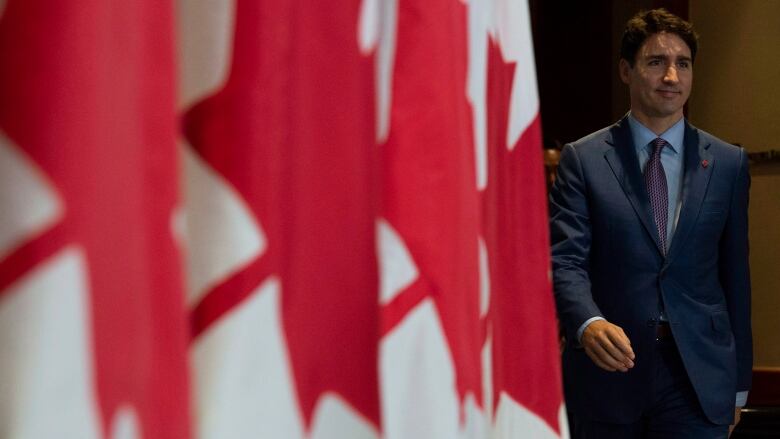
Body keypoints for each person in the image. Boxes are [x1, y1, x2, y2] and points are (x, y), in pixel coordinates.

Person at [549, 8, 752, 438]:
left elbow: (736, 276)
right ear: (626, 70)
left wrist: (737, 388)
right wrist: (587, 323)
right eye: (656, 62)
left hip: (698, 376)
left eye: (683, 64)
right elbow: (566, 260)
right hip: (609, 372)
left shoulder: (728, 163)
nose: (671, 77)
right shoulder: (582, 160)